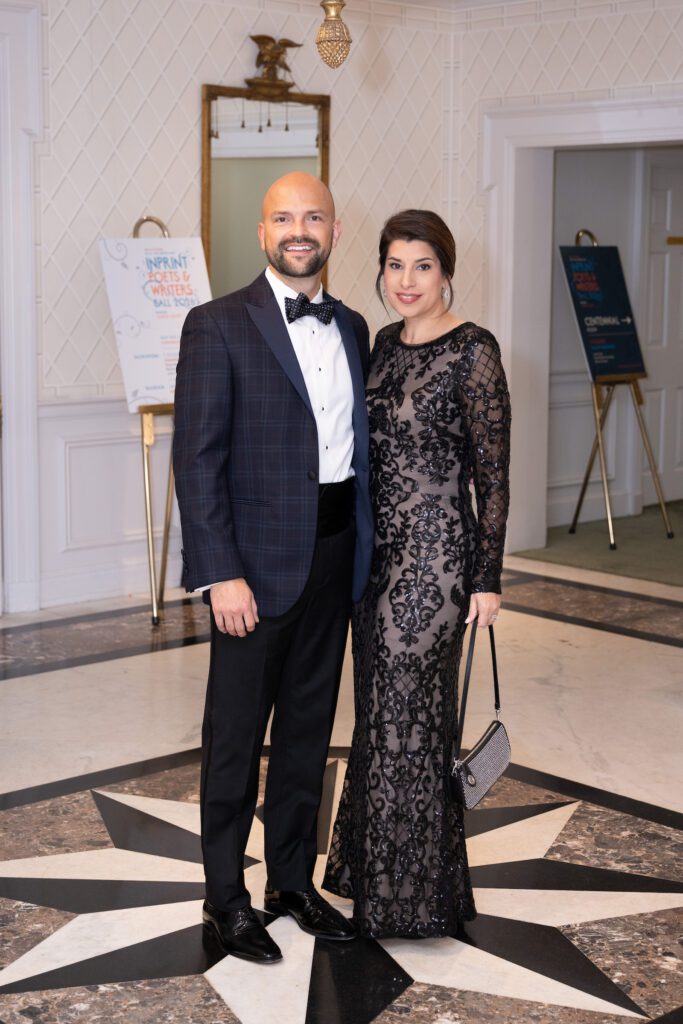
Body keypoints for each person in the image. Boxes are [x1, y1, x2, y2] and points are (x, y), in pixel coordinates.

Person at [173, 172, 373, 963]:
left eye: (313, 216)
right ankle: (226, 898)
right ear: (262, 234)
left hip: (334, 562)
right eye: (284, 218)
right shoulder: (216, 325)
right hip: (250, 572)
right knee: (233, 742)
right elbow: (197, 459)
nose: (300, 230)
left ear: (333, 229)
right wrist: (220, 571)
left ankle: (291, 880)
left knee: (305, 735)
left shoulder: (354, 326)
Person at [323, 209, 511, 939]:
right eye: (394, 265)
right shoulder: (380, 347)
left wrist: (486, 578)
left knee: (411, 718)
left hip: (435, 566)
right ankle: (367, 870)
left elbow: (492, 477)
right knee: (378, 716)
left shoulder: (474, 351)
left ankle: (408, 901)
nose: (406, 281)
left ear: (446, 272)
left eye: (421, 266)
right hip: (374, 563)